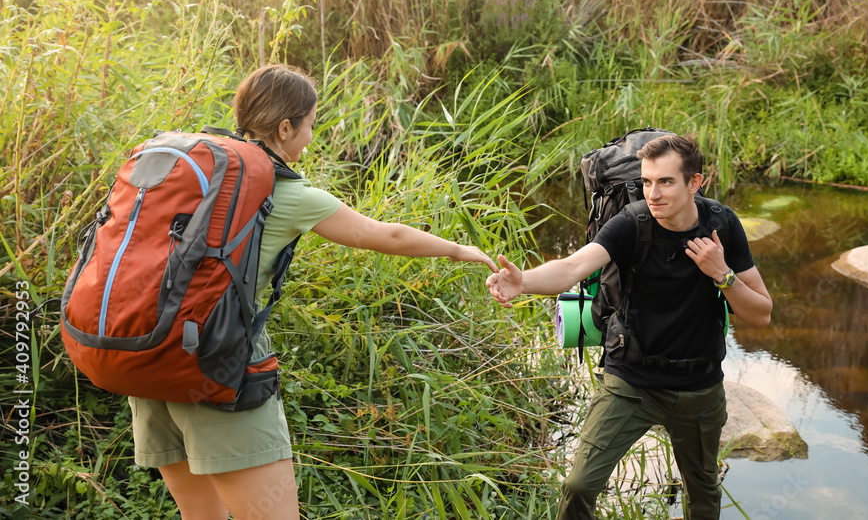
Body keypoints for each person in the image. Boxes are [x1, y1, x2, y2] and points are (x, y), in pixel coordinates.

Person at [128, 64, 498, 520]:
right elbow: (387, 236)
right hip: (215, 369)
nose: (309, 139)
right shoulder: (281, 191)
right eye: (309, 127)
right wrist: (459, 249)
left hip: (148, 360)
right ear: (285, 127)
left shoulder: (199, 171)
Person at [486, 133, 772, 520]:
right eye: (647, 181)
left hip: (698, 385)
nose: (653, 193)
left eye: (666, 182)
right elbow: (572, 267)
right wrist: (524, 283)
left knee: (702, 488)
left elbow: (762, 313)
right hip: (631, 380)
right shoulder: (632, 223)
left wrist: (721, 274)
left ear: (694, 183)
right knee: (578, 485)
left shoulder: (722, 225)